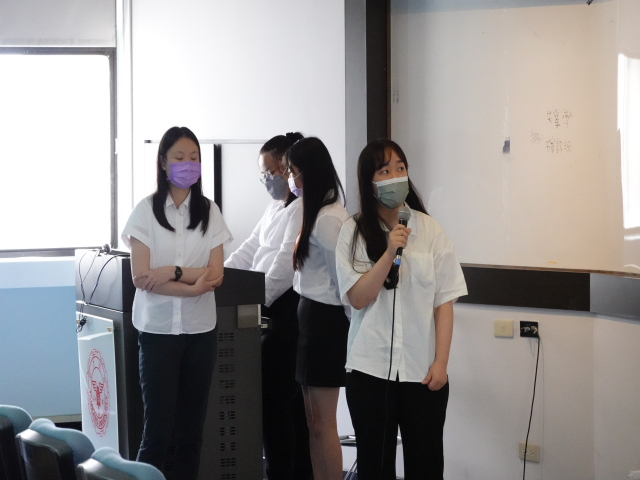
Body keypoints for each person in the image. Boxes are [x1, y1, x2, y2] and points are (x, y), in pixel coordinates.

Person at [335, 139, 468, 480]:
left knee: (426, 465)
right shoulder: (353, 231)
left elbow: (444, 302)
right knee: (375, 467)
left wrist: (441, 363)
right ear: (369, 181)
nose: (395, 176)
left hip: (421, 371)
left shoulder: (430, 230)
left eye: (400, 168)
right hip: (369, 370)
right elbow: (358, 298)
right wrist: (389, 252)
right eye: (384, 171)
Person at [121, 126, 232, 479]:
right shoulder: (145, 211)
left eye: (194, 158)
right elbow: (141, 278)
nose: (188, 164)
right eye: (180, 157)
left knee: (191, 434)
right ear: (163, 163)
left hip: (200, 332)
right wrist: (193, 288)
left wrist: (171, 271)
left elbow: (216, 274)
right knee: (156, 432)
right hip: (157, 332)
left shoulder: (210, 212)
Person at [224, 132, 313, 480]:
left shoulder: (302, 209)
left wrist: (250, 299)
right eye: (262, 174)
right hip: (264, 311)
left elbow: (282, 270)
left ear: (287, 168)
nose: (266, 180)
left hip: (286, 314)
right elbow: (249, 249)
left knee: (278, 407)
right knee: (283, 408)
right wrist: (220, 277)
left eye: (270, 172)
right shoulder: (275, 207)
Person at [285, 137, 350, 480]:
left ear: (308, 173)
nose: (290, 179)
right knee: (313, 423)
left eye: (293, 172)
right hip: (310, 318)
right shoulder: (314, 212)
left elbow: (344, 285)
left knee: (324, 424)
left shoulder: (329, 219)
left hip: (326, 323)